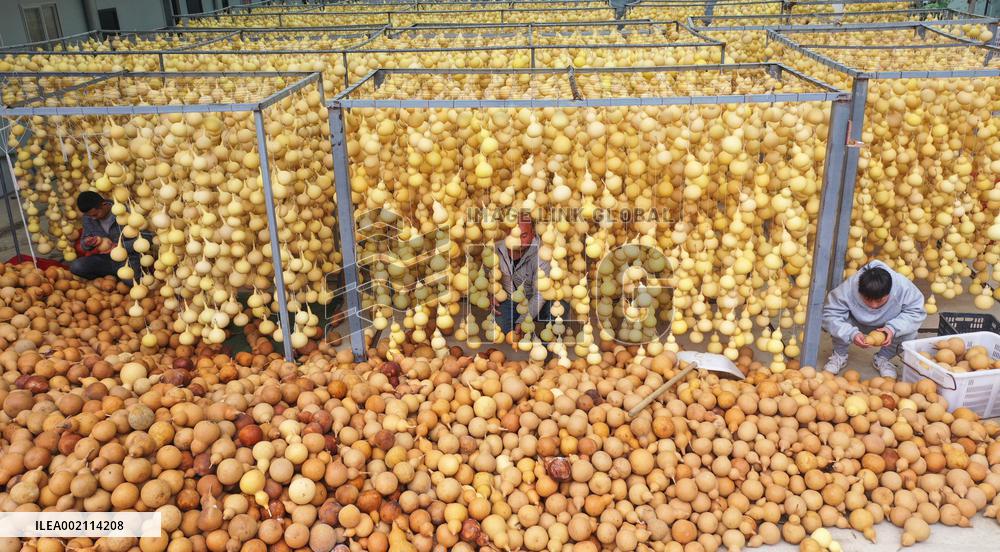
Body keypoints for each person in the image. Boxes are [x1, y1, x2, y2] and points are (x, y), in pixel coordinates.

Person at [822, 260, 927, 378]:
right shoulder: (848, 289)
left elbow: (915, 312)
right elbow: (830, 314)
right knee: (838, 324)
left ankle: (882, 358)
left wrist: (893, 328)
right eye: (867, 299)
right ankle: (839, 355)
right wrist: (851, 333)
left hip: (890, 322)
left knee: (910, 333)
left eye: (880, 300)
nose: (873, 305)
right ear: (859, 291)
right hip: (855, 321)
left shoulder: (903, 288)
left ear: (889, 292)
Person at [492, 212, 568, 337]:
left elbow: (540, 294)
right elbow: (488, 274)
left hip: (537, 300)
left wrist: (524, 319)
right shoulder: (496, 250)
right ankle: (522, 337)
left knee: (559, 309)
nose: (518, 241)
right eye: (513, 235)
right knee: (500, 324)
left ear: (533, 233)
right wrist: (491, 292)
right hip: (511, 300)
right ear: (506, 234)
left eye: (524, 235)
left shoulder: (543, 254)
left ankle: (546, 346)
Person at [70, 191, 141, 284]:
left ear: (104, 205)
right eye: (90, 216)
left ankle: (118, 277)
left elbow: (147, 237)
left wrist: (119, 247)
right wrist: (87, 242)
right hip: (106, 258)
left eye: (95, 215)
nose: (94, 218)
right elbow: (84, 242)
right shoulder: (88, 218)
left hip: (129, 257)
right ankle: (111, 279)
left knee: (130, 281)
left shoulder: (123, 211)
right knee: (77, 266)